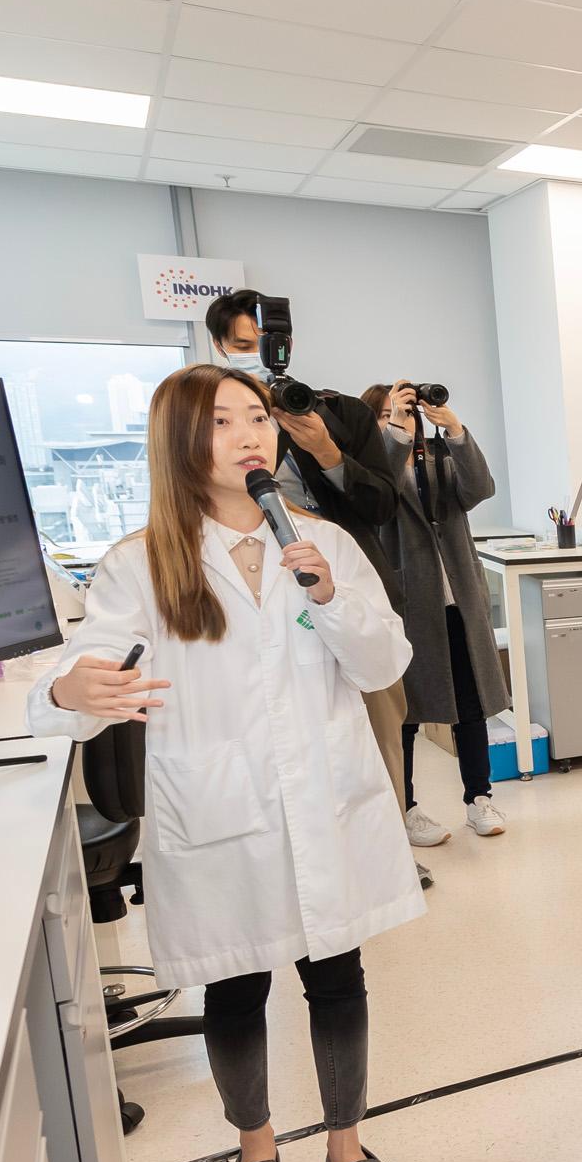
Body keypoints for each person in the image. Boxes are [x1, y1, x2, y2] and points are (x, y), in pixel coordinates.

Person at [31, 363, 422, 1162]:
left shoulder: (322, 543)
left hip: (325, 800)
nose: (251, 435)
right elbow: (84, 661)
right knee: (236, 986)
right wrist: (71, 690)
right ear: (181, 442)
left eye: (257, 418)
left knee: (337, 975)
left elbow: (385, 664)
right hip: (222, 811)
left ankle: (347, 1142)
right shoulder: (142, 563)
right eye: (222, 422)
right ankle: (254, 1148)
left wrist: (329, 596)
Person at [208, 291, 424, 882]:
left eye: (266, 347)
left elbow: (382, 506)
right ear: (220, 347)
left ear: (287, 348)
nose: (255, 359)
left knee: (377, 728)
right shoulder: (204, 422)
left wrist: (325, 451)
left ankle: (387, 855)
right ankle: (290, 865)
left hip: (344, 590)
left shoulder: (337, 411)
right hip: (249, 601)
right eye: (242, 347)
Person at [368, 382, 512, 847]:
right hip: (407, 607)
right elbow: (379, 501)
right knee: (405, 714)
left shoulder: (438, 458)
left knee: (471, 708)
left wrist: (454, 431)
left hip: (457, 601)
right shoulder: (373, 465)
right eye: (393, 414)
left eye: (409, 412)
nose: (407, 419)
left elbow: (480, 488)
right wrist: (394, 433)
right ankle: (405, 807)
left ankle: (479, 799)